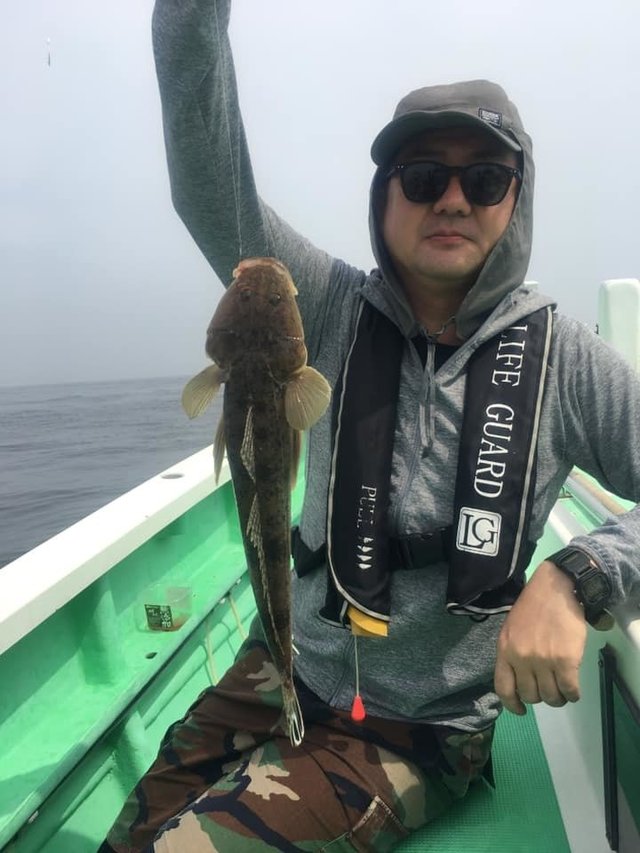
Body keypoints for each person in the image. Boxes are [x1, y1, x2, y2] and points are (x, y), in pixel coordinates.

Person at [101, 1, 640, 850]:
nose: (452, 199)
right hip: (287, 662)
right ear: (384, 197)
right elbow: (208, 180)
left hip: (417, 728)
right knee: (129, 831)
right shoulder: (321, 303)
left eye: (486, 179)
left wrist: (579, 573)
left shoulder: (568, 363)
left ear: (516, 200)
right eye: (423, 177)